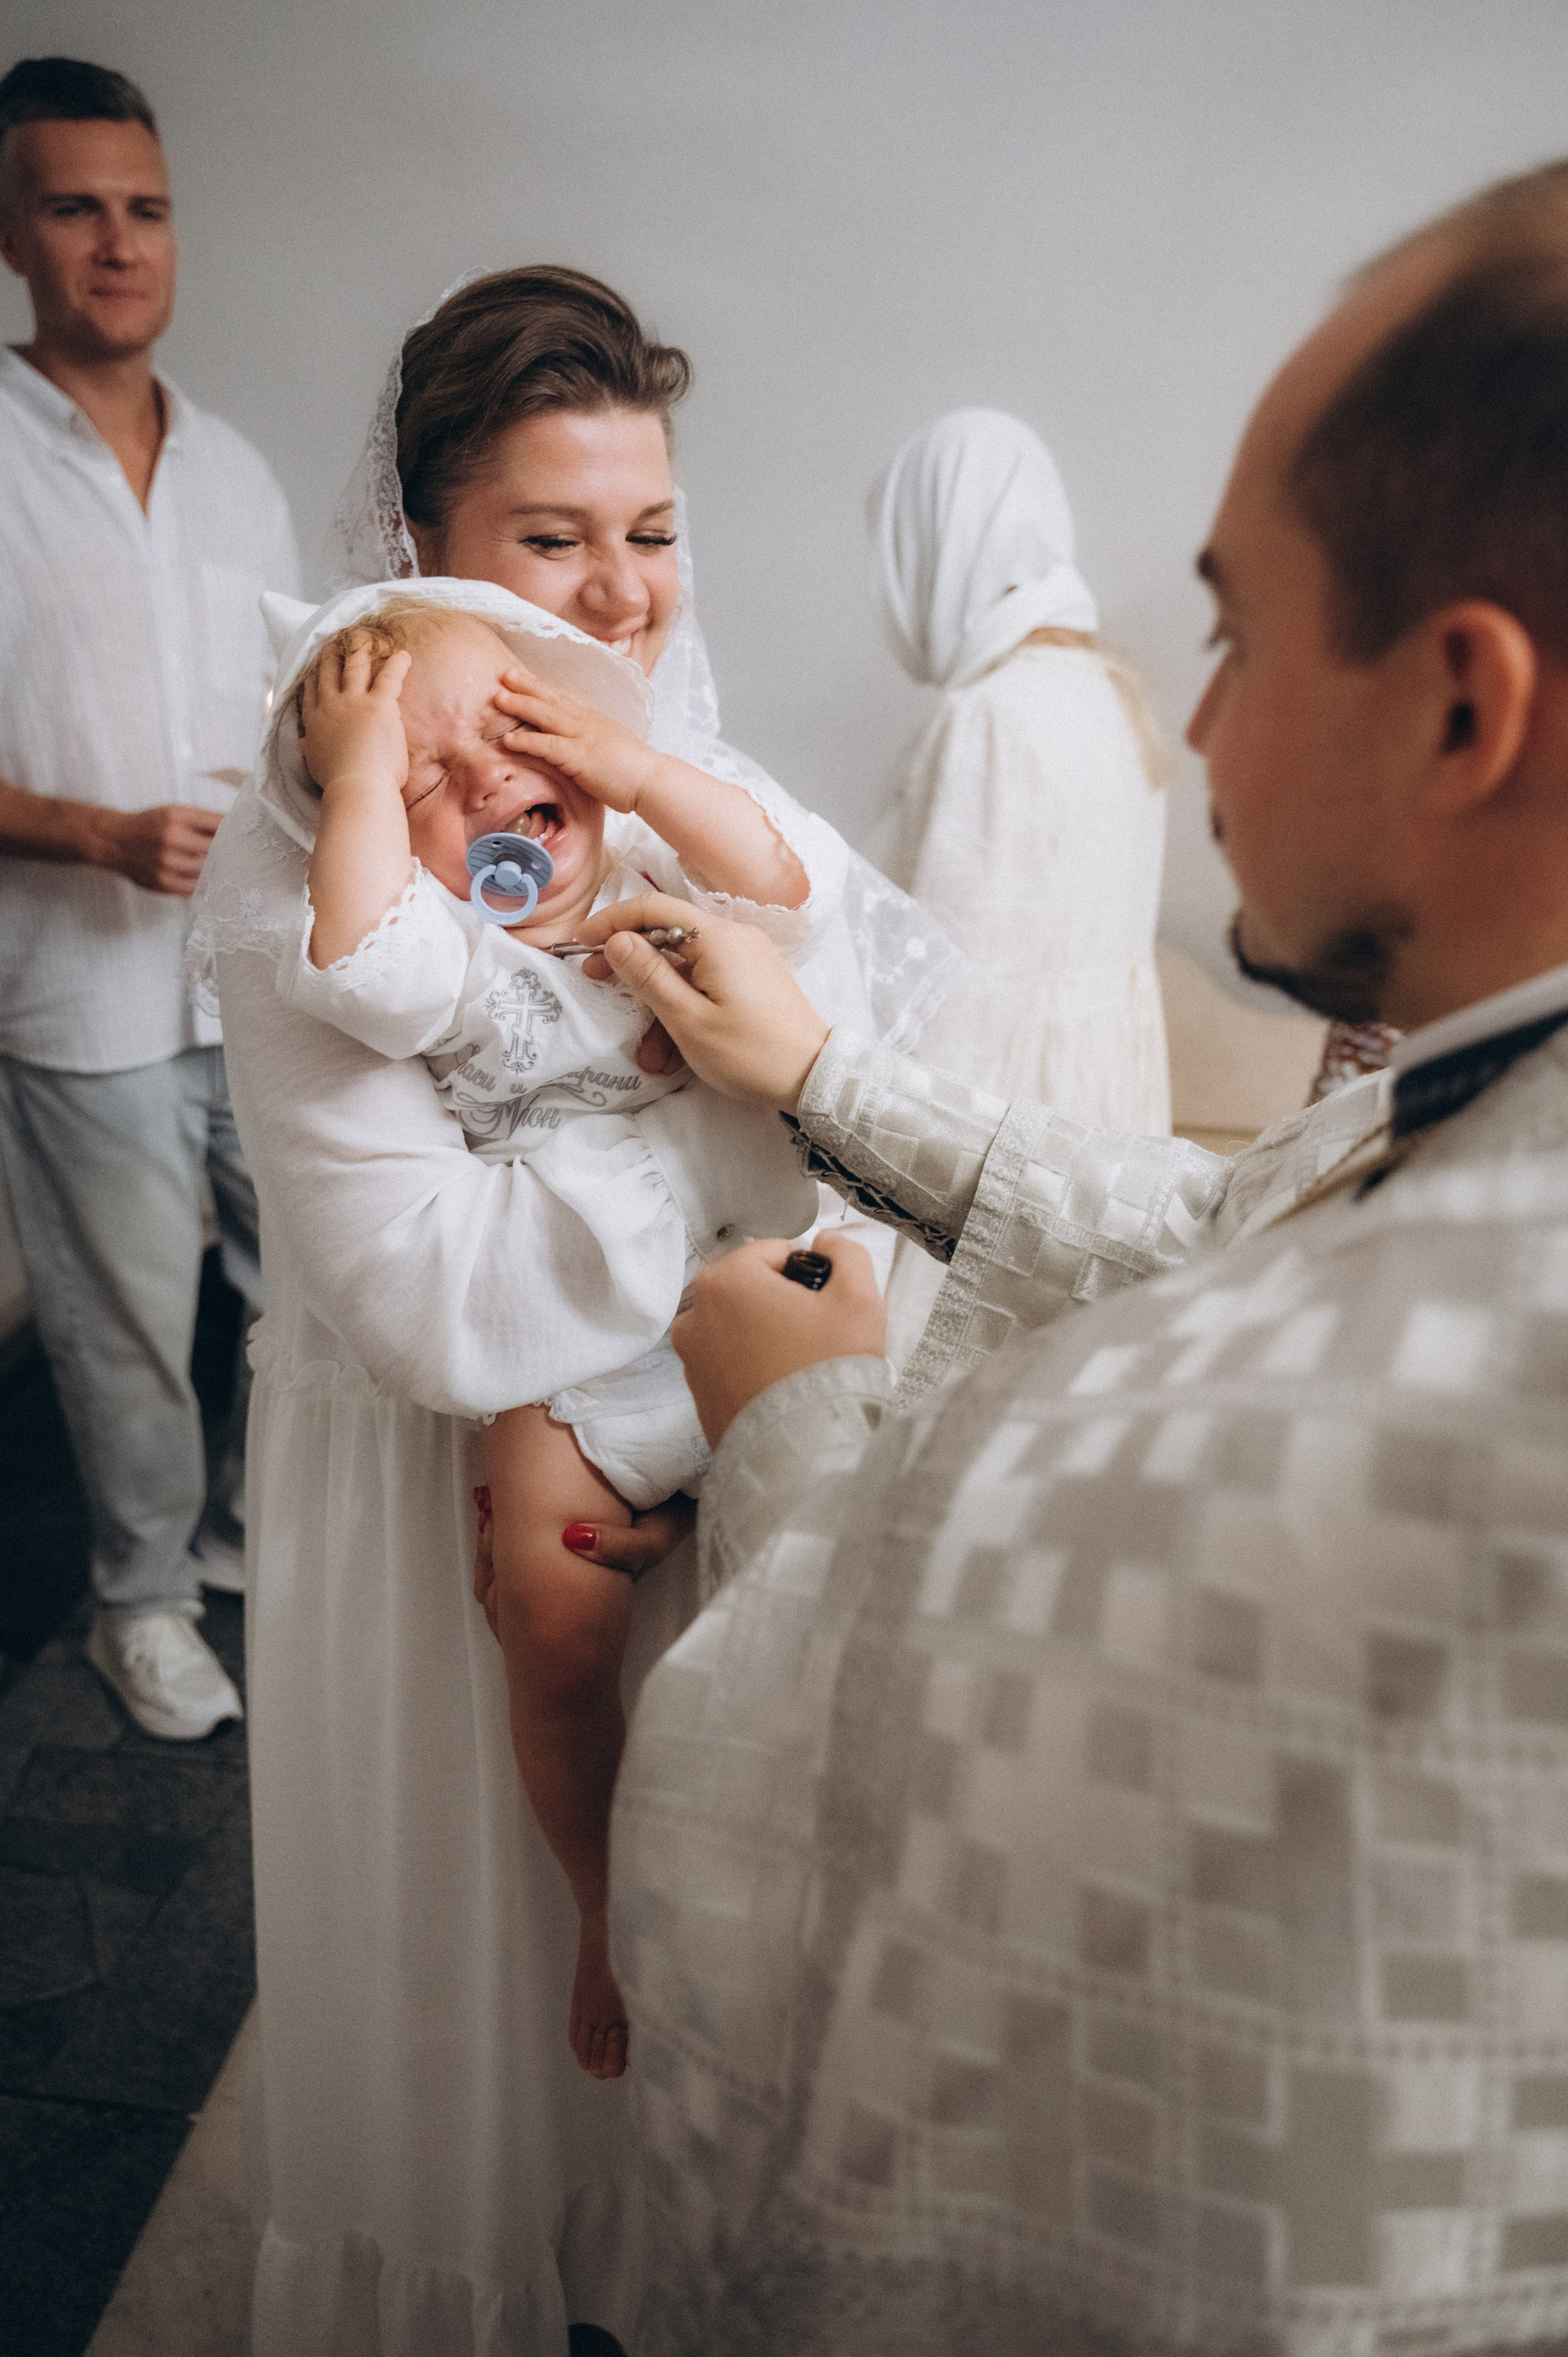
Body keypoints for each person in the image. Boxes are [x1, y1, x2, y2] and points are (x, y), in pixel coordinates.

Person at [586, 159, 1568, 2354]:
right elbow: (1231, 1217)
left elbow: (831, 1802)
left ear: (1462, 704)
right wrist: (826, 1070)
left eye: (1234, 632)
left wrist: (796, 1419)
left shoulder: (1423, 1405)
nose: (1188, 722)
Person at [192, 267, 948, 2355]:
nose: (620, 595)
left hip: (719, 1408)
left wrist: (770, 1105)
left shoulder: (668, 770)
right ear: (421, 540)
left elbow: (835, 1026)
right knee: (492, 1983)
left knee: (723, 1976)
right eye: (552, 537)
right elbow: (437, 1299)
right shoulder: (316, 861)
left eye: (653, 529)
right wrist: (712, 1098)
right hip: (464, 1462)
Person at [274, 578, 858, 2079]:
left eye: (516, 730)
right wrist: (356, 774)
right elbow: (354, 964)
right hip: (577, 1346)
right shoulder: (448, 959)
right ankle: (603, 1890)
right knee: (544, 1597)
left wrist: (639, 769)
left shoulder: (658, 866)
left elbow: (793, 886)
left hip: (754, 1285)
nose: (490, 783)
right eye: (428, 782)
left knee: (845, 1555)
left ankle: (834, 1868)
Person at [0, 56, 299, 1739]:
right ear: (9, 233)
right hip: (76, 985)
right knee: (124, 1321)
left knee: (306, 1274)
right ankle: (142, 1602)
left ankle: (251, 1529)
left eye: (147, 209)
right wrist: (97, 836)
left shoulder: (238, 472)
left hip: (249, 970)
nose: (119, 244)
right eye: (74, 208)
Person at [867, 408, 1170, 1363]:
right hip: (1104, 1142)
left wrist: (866, 1204)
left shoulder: (994, 716)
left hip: (1006, 1155)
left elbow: (955, 1005)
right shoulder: (1110, 694)